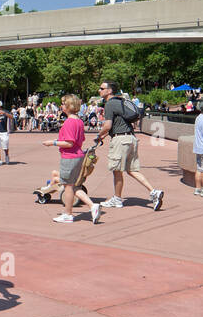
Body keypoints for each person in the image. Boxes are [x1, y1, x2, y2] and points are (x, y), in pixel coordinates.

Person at [95, 80, 164, 211]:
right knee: (132, 170)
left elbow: (108, 125)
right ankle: (154, 191)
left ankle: (117, 199)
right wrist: (105, 134)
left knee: (117, 170)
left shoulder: (110, 104)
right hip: (131, 138)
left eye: (101, 88)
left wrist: (98, 136)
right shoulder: (120, 102)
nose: (99, 90)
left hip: (120, 140)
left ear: (109, 91)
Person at [45, 93, 101, 224]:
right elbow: (78, 140)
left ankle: (68, 214)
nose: (61, 105)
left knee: (68, 187)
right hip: (77, 155)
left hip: (69, 157)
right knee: (74, 186)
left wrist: (52, 142)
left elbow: (69, 143)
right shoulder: (79, 121)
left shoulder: (70, 122)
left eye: (63, 103)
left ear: (69, 106)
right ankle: (92, 206)